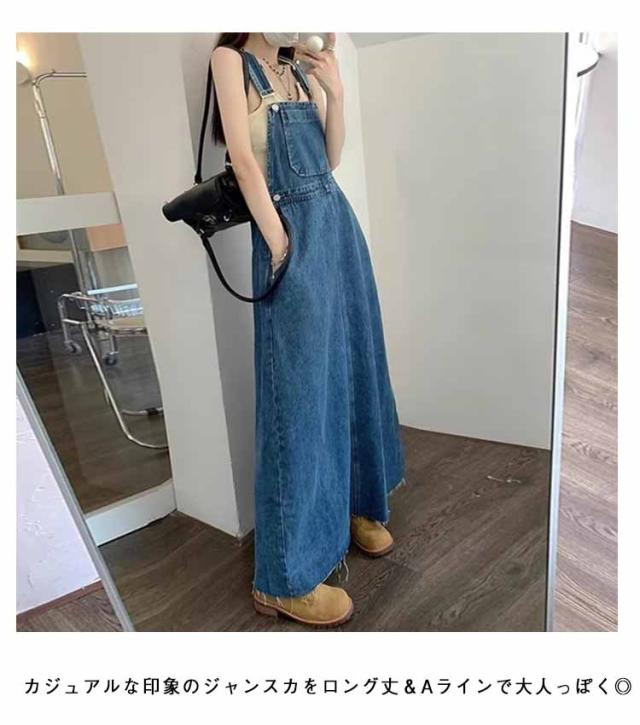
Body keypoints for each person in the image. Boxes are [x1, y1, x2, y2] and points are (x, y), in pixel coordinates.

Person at [211, 32, 405, 627]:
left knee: (354, 366)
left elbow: (332, 158)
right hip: (290, 235)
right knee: (296, 396)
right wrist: (279, 245)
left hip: (337, 228)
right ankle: (285, 578)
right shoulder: (230, 62)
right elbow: (244, 161)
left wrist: (335, 92)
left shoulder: (296, 69)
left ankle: (356, 503)